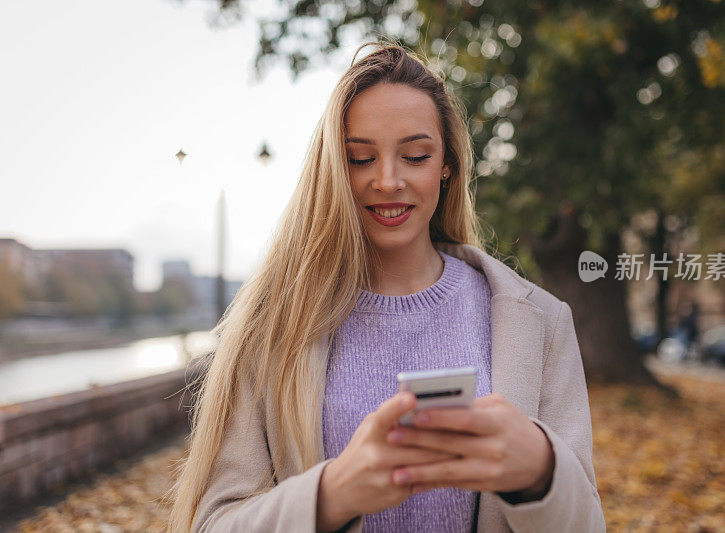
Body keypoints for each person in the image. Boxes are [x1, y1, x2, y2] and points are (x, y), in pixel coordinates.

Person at [166, 40, 605, 533]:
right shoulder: (271, 326)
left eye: (415, 156)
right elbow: (212, 523)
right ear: (333, 169)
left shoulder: (541, 321)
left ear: (447, 165)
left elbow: (588, 522)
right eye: (360, 159)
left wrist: (540, 469)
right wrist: (332, 494)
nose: (388, 180)